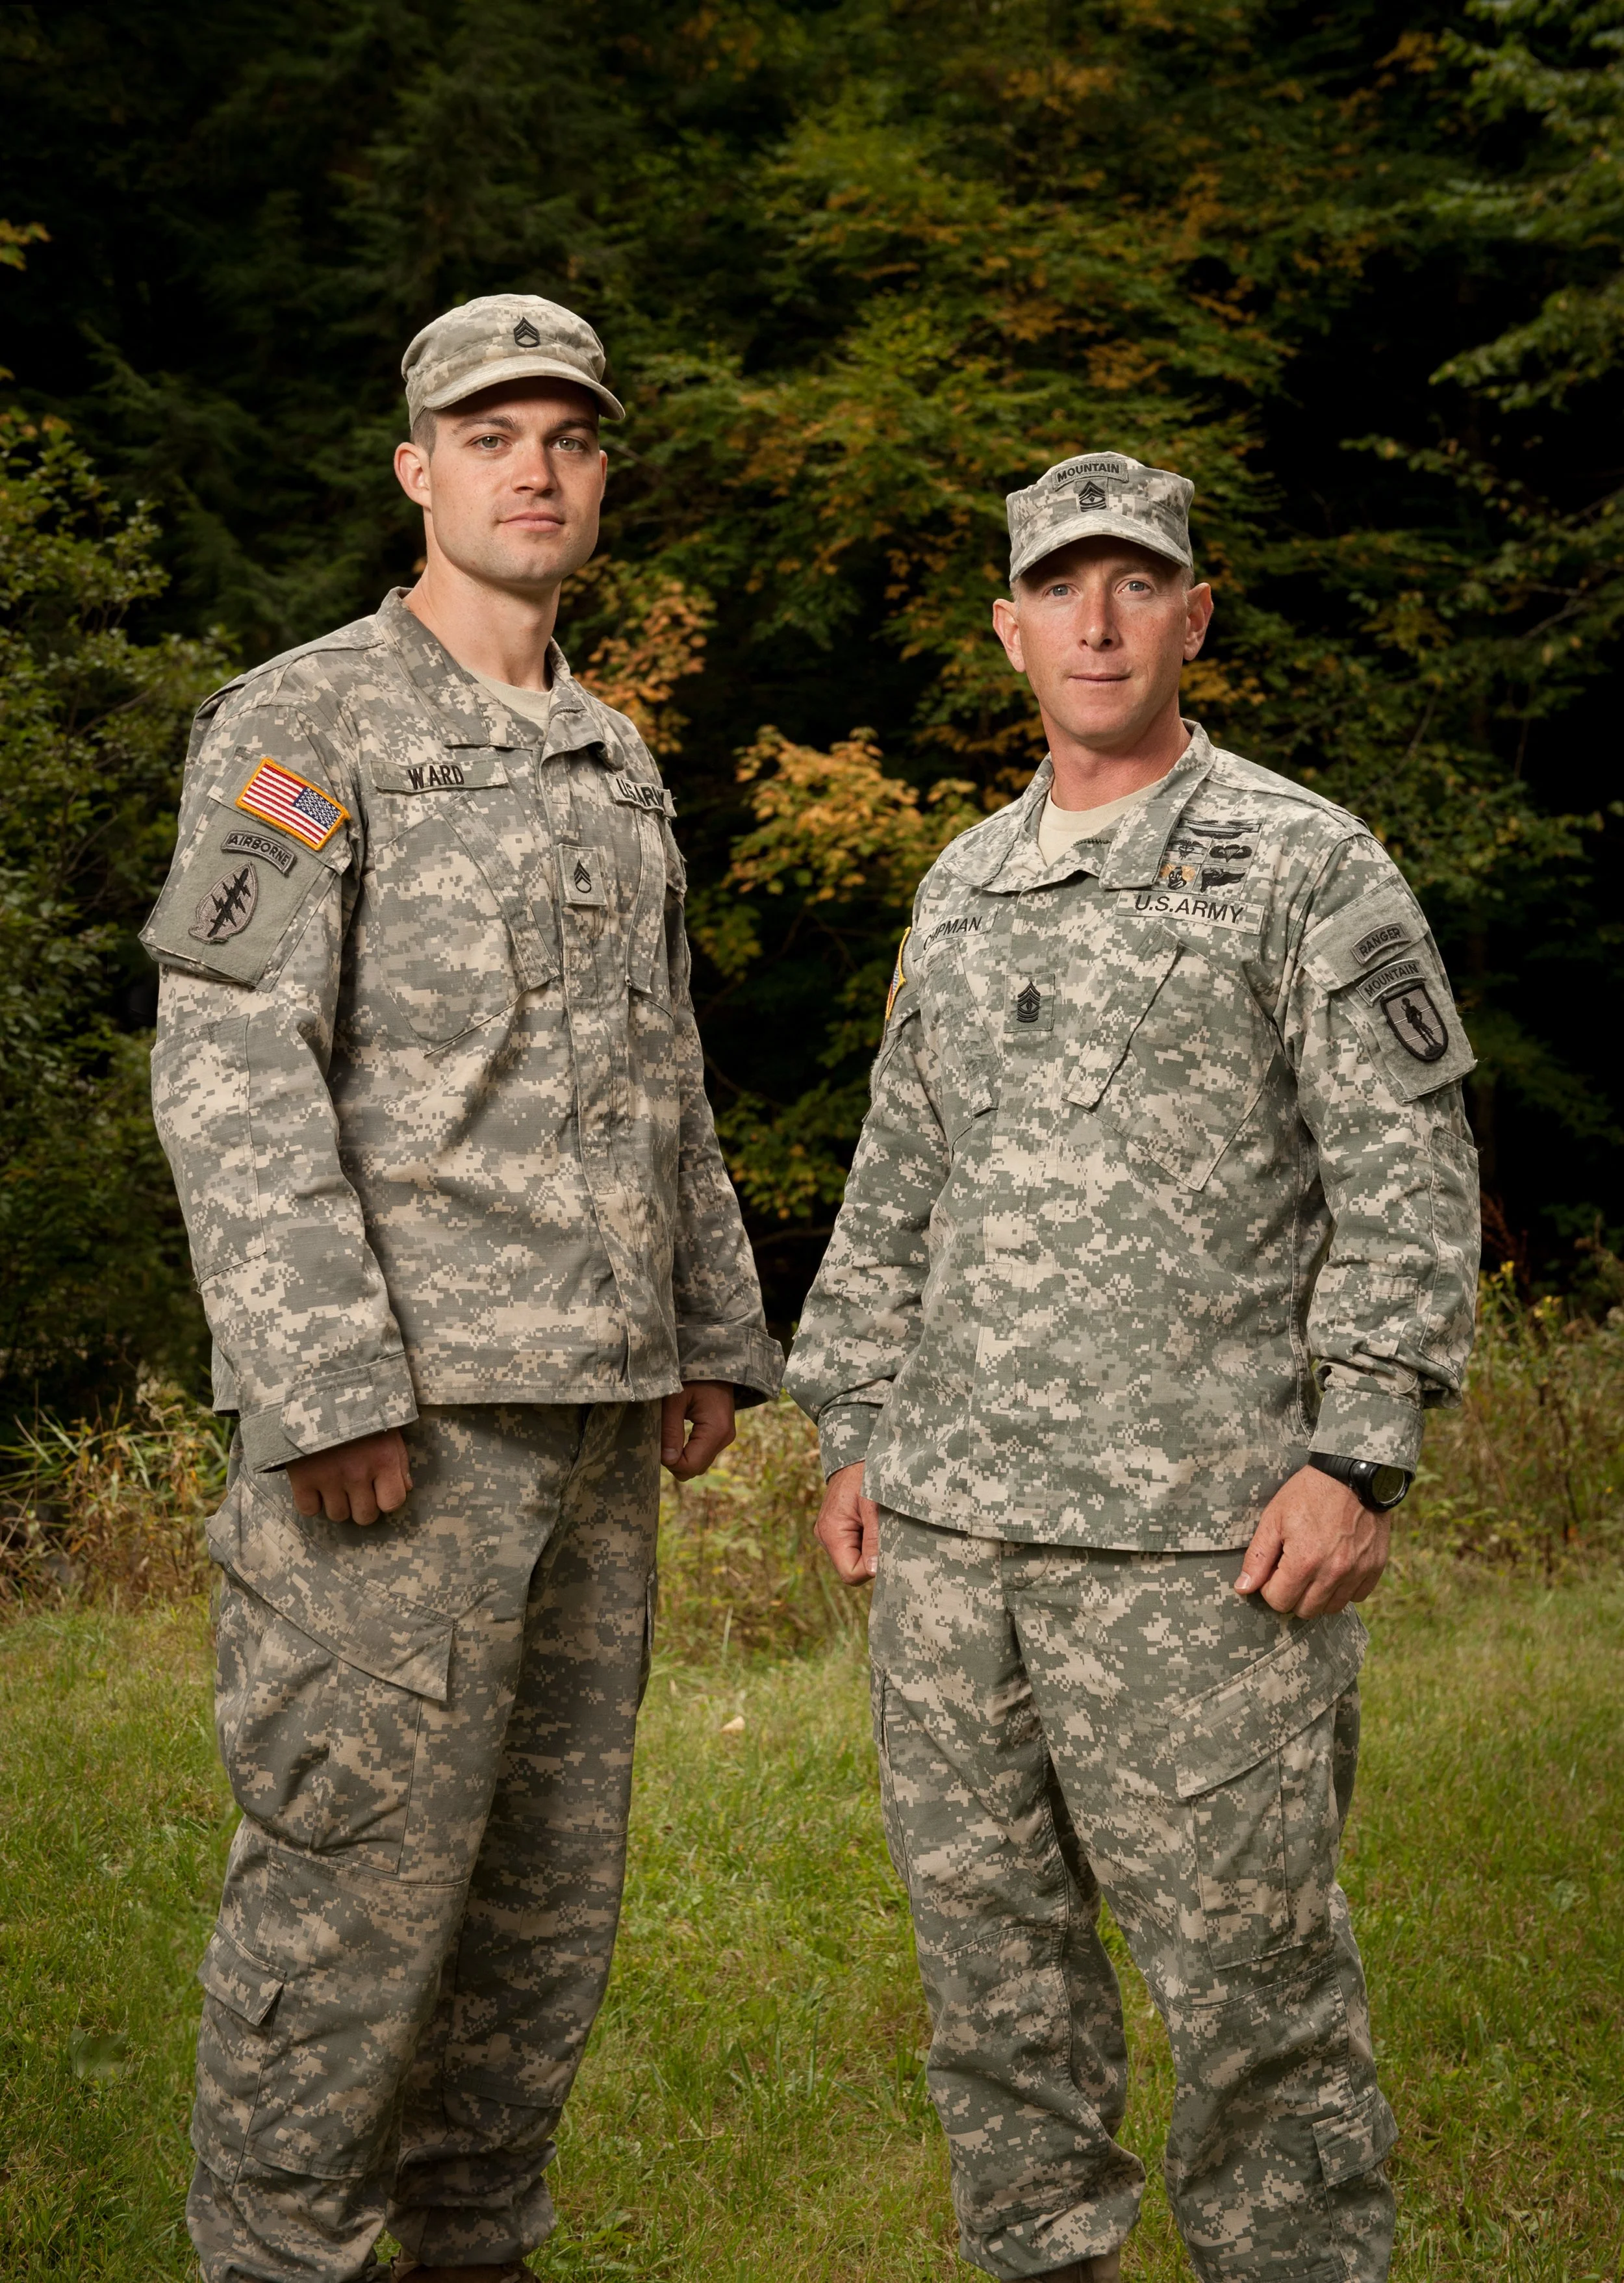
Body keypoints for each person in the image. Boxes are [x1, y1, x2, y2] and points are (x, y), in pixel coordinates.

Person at [142, 293, 781, 2283]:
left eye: (568, 437)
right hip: (398, 1441)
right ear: (415, 470)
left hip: (588, 1429)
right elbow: (232, 1054)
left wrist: (703, 1330)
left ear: (599, 478)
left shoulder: (611, 757)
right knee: (351, 1919)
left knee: (534, 1928)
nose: (534, 467)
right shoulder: (299, 725)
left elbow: (656, 1060)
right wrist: (322, 1379)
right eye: (489, 433)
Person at [785, 452, 1479, 2283]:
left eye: (1134, 582)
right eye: (1059, 587)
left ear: (1192, 612)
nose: (1096, 619)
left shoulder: (1304, 863)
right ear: (1008, 629)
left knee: (1256, 2012)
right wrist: (853, 1421)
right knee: (994, 2005)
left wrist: (1360, 1451)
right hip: (951, 1551)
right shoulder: (964, 886)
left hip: (1201, 1550)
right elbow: (898, 1178)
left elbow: (1407, 1174)